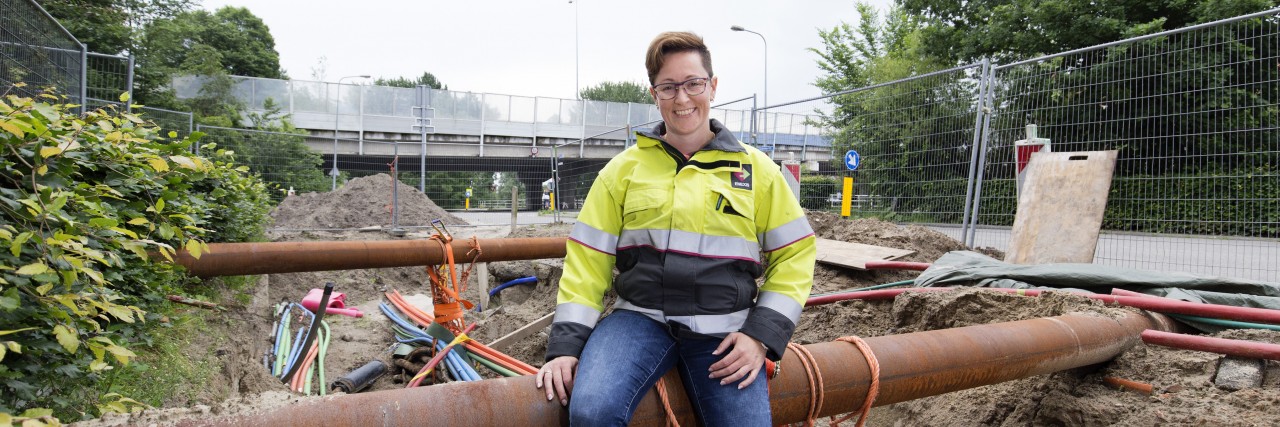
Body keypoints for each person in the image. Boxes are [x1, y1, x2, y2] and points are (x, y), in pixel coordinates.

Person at [535, 31, 816, 426]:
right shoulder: (622, 172)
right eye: (668, 87)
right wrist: (565, 348)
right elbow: (587, 264)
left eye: (693, 84)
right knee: (592, 411)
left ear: (713, 86)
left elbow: (796, 254)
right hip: (638, 320)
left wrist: (760, 337)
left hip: (726, 332)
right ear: (654, 94)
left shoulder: (759, 173)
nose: (682, 99)